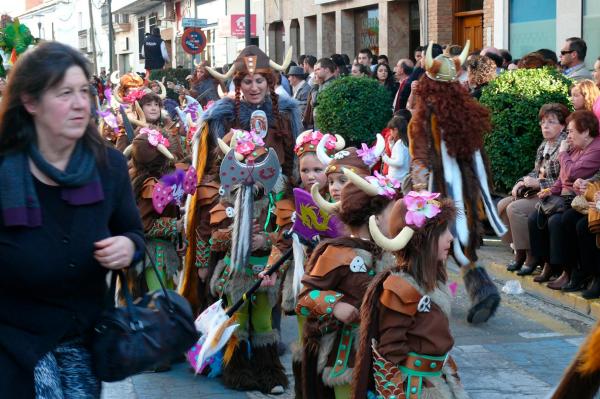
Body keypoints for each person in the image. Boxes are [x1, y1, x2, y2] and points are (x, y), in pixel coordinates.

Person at [0, 42, 144, 398]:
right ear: (31, 103)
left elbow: (133, 233)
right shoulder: (4, 170)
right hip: (14, 341)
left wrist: (128, 246)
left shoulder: (108, 167)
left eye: (84, 91)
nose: (81, 103)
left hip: (85, 338)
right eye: (65, 93)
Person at [180, 45, 301, 394]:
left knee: (267, 299)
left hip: (274, 209)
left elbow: (292, 166)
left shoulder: (286, 113)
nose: (253, 86)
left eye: (260, 80)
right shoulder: (221, 115)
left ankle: (266, 364)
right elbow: (209, 175)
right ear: (237, 83)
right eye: (247, 80)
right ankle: (234, 364)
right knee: (232, 299)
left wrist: (287, 211)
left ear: (270, 81)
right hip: (229, 209)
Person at [409, 41, 506, 324]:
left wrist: (418, 191)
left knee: (429, 241)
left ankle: (429, 298)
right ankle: (480, 288)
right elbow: (480, 156)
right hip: (467, 186)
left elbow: (420, 152)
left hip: (437, 187)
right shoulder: (465, 108)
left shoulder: (424, 112)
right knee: (460, 241)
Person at [352, 192, 468, 399]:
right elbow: (389, 353)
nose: (451, 237)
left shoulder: (434, 280)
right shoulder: (399, 287)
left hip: (438, 381)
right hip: (415, 390)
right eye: (443, 232)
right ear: (421, 241)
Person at [298, 167, 400, 399]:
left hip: (382, 352)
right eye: (393, 212)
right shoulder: (336, 252)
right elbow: (305, 298)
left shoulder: (390, 252)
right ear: (375, 217)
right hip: (346, 356)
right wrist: (335, 305)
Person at [528, 110, 600, 290]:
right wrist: (551, 190)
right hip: (573, 198)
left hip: (581, 201)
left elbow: (572, 172)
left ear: (585, 131)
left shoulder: (596, 149)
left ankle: (581, 272)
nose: (568, 136)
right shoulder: (576, 147)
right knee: (537, 216)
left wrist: (562, 153)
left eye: (571, 131)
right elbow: (565, 175)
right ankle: (558, 267)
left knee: (566, 221)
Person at [497, 103, 569, 278]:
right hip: (538, 191)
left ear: (563, 126)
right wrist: (520, 182)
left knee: (515, 208)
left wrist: (538, 183)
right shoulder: (545, 144)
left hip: (554, 194)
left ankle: (531, 255)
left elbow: (565, 177)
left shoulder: (565, 145)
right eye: (543, 122)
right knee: (502, 204)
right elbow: (535, 171)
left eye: (551, 122)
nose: (545, 126)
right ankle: (519, 251)